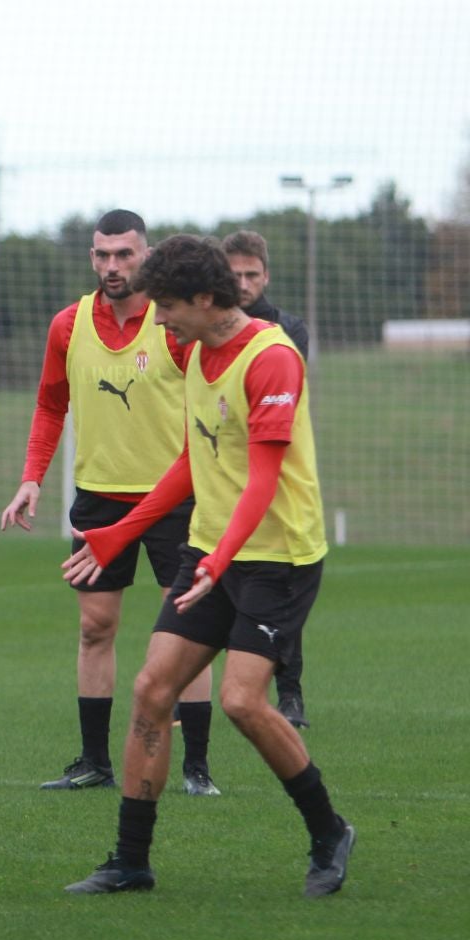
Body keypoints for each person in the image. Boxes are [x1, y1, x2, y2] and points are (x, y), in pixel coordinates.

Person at [61, 234, 352, 898]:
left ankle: (329, 832)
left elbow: (262, 479)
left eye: (166, 306)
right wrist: (117, 534)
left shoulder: (272, 358)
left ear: (203, 298)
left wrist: (220, 564)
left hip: (276, 559)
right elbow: (193, 462)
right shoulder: (192, 353)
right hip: (212, 550)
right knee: (151, 690)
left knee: (243, 700)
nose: (158, 319)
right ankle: (131, 860)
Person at [0, 209, 220, 797]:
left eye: (124, 254)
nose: (112, 265)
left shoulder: (173, 324)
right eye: (102, 255)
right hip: (98, 499)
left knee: (188, 628)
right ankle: (95, 761)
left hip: (177, 500)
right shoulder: (68, 325)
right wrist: (31, 478)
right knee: (95, 629)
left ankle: (197, 768)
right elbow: (50, 405)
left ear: (145, 254)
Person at [223, 229, 311, 729]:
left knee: (276, 595)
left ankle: (290, 692)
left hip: (271, 477)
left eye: (251, 274)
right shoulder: (209, 329)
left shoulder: (287, 331)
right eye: (233, 275)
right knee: (213, 589)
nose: (242, 283)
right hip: (222, 477)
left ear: (266, 275)